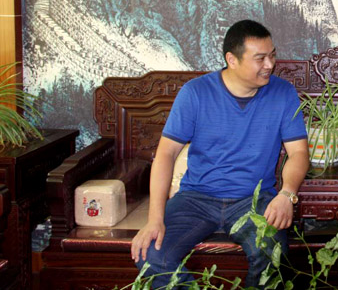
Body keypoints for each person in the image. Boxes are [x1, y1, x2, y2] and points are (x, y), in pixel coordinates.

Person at [130, 19, 310, 288]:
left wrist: (287, 194)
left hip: (254, 200)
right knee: (150, 254)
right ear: (232, 60)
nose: (270, 65)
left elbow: (299, 153)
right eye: (260, 58)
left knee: (272, 254)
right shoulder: (196, 93)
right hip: (196, 198)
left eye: (272, 55)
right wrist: (154, 219)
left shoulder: (283, 93)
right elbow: (166, 154)